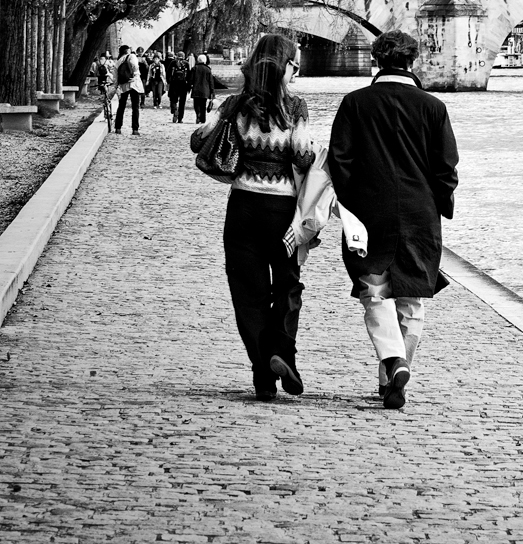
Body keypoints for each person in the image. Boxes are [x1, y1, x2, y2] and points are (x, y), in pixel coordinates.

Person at [327, 30, 458, 410]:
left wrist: (351, 204)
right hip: (420, 213)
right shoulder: (433, 107)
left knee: (375, 292)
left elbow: (340, 161)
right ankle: (393, 377)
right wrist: (436, 203)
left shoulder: (355, 103)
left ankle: (393, 362)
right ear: (412, 62)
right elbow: (447, 169)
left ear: (376, 60)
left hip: (369, 213)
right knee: (412, 299)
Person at [192, 33, 315, 401]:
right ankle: (282, 351)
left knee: (249, 294)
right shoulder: (295, 107)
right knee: (289, 284)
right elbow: (303, 156)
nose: (296, 71)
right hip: (282, 213)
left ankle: (263, 375)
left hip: (243, 208)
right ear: (284, 66)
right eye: (294, 64)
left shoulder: (233, 105)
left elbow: (199, 140)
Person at [113, 44, 145, 135]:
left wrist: (116, 88)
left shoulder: (117, 62)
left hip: (124, 86)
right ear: (127, 51)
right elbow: (135, 66)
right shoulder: (131, 56)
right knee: (135, 107)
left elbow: (115, 78)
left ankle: (118, 127)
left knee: (121, 106)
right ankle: (135, 129)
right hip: (134, 85)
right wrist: (135, 75)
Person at [189, 53, 227, 123]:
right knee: (203, 105)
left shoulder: (194, 68)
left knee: (196, 104)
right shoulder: (208, 69)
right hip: (205, 90)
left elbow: (190, 80)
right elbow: (211, 81)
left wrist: (189, 87)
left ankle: (198, 114)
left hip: (196, 89)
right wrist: (212, 91)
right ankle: (203, 119)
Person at [167, 52, 191, 123]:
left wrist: (169, 82)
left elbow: (168, 72)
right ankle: (180, 118)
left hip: (174, 83)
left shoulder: (173, 62)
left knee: (173, 98)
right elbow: (189, 75)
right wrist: (189, 86)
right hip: (183, 84)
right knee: (182, 102)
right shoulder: (186, 63)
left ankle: (174, 109)